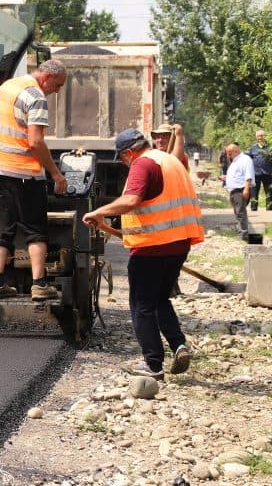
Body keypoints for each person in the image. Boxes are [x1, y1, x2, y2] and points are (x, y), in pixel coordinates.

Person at [82, 128, 203, 380]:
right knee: (160, 299)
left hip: (152, 248)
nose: (124, 163)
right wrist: (107, 225)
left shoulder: (142, 164)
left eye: (123, 158)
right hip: (178, 245)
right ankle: (178, 345)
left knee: (141, 306)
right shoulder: (170, 160)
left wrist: (99, 212)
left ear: (128, 152)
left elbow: (132, 200)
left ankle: (153, 364)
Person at [0, 59, 68, 301]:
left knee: (2, 228)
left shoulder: (9, 86)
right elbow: (36, 142)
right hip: (24, 172)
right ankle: (39, 285)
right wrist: (55, 173)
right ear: (47, 77)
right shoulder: (36, 96)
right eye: (57, 85)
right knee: (35, 229)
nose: (56, 91)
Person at [224, 143, 255, 240]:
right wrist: (225, 178)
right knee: (237, 213)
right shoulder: (235, 160)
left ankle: (244, 234)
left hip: (240, 190)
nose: (228, 155)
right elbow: (237, 175)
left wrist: (246, 189)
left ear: (236, 151)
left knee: (241, 213)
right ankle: (240, 231)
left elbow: (248, 175)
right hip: (234, 190)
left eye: (229, 153)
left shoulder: (245, 159)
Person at [246, 129, 272, 212]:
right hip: (255, 174)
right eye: (258, 136)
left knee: (269, 192)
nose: (260, 137)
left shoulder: (270, 148)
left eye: (262, 135)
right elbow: (248, 160)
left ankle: (269, 210)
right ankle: (253, 208)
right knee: (254, 193)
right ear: (256, 137)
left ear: (264, 136)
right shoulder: (252, 148)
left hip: (268, 173)